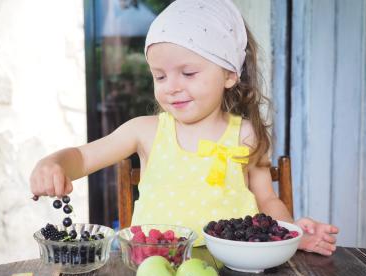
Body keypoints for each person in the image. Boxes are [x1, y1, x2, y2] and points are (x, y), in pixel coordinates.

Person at [30, 0, 338, 255]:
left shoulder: (245, 134)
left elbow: (267, 200)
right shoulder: (144, 131)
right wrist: (54, 163)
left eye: (188, 73)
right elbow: (83, 158)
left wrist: (295, 235)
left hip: (234, 270)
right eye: (160, 76)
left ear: (229, 74)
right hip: (153, 267)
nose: (172, 87)